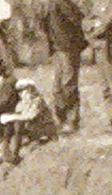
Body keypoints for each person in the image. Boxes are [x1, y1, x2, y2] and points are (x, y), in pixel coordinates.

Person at [38, 0, 88, 134]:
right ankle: (61, 119)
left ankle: (70, 121)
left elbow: (77, 22)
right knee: (60, 86)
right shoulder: (54, 4)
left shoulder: (60, 3)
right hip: (61, 48)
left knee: (67, 84)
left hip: (66, 48)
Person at [86, 0, 112, 131]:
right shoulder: (98, 4)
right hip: (101, 50)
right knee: (105, 87)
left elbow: (106, 25)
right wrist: (91, 27)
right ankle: (111, 121)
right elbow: (86, 22)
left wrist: (92, 31)